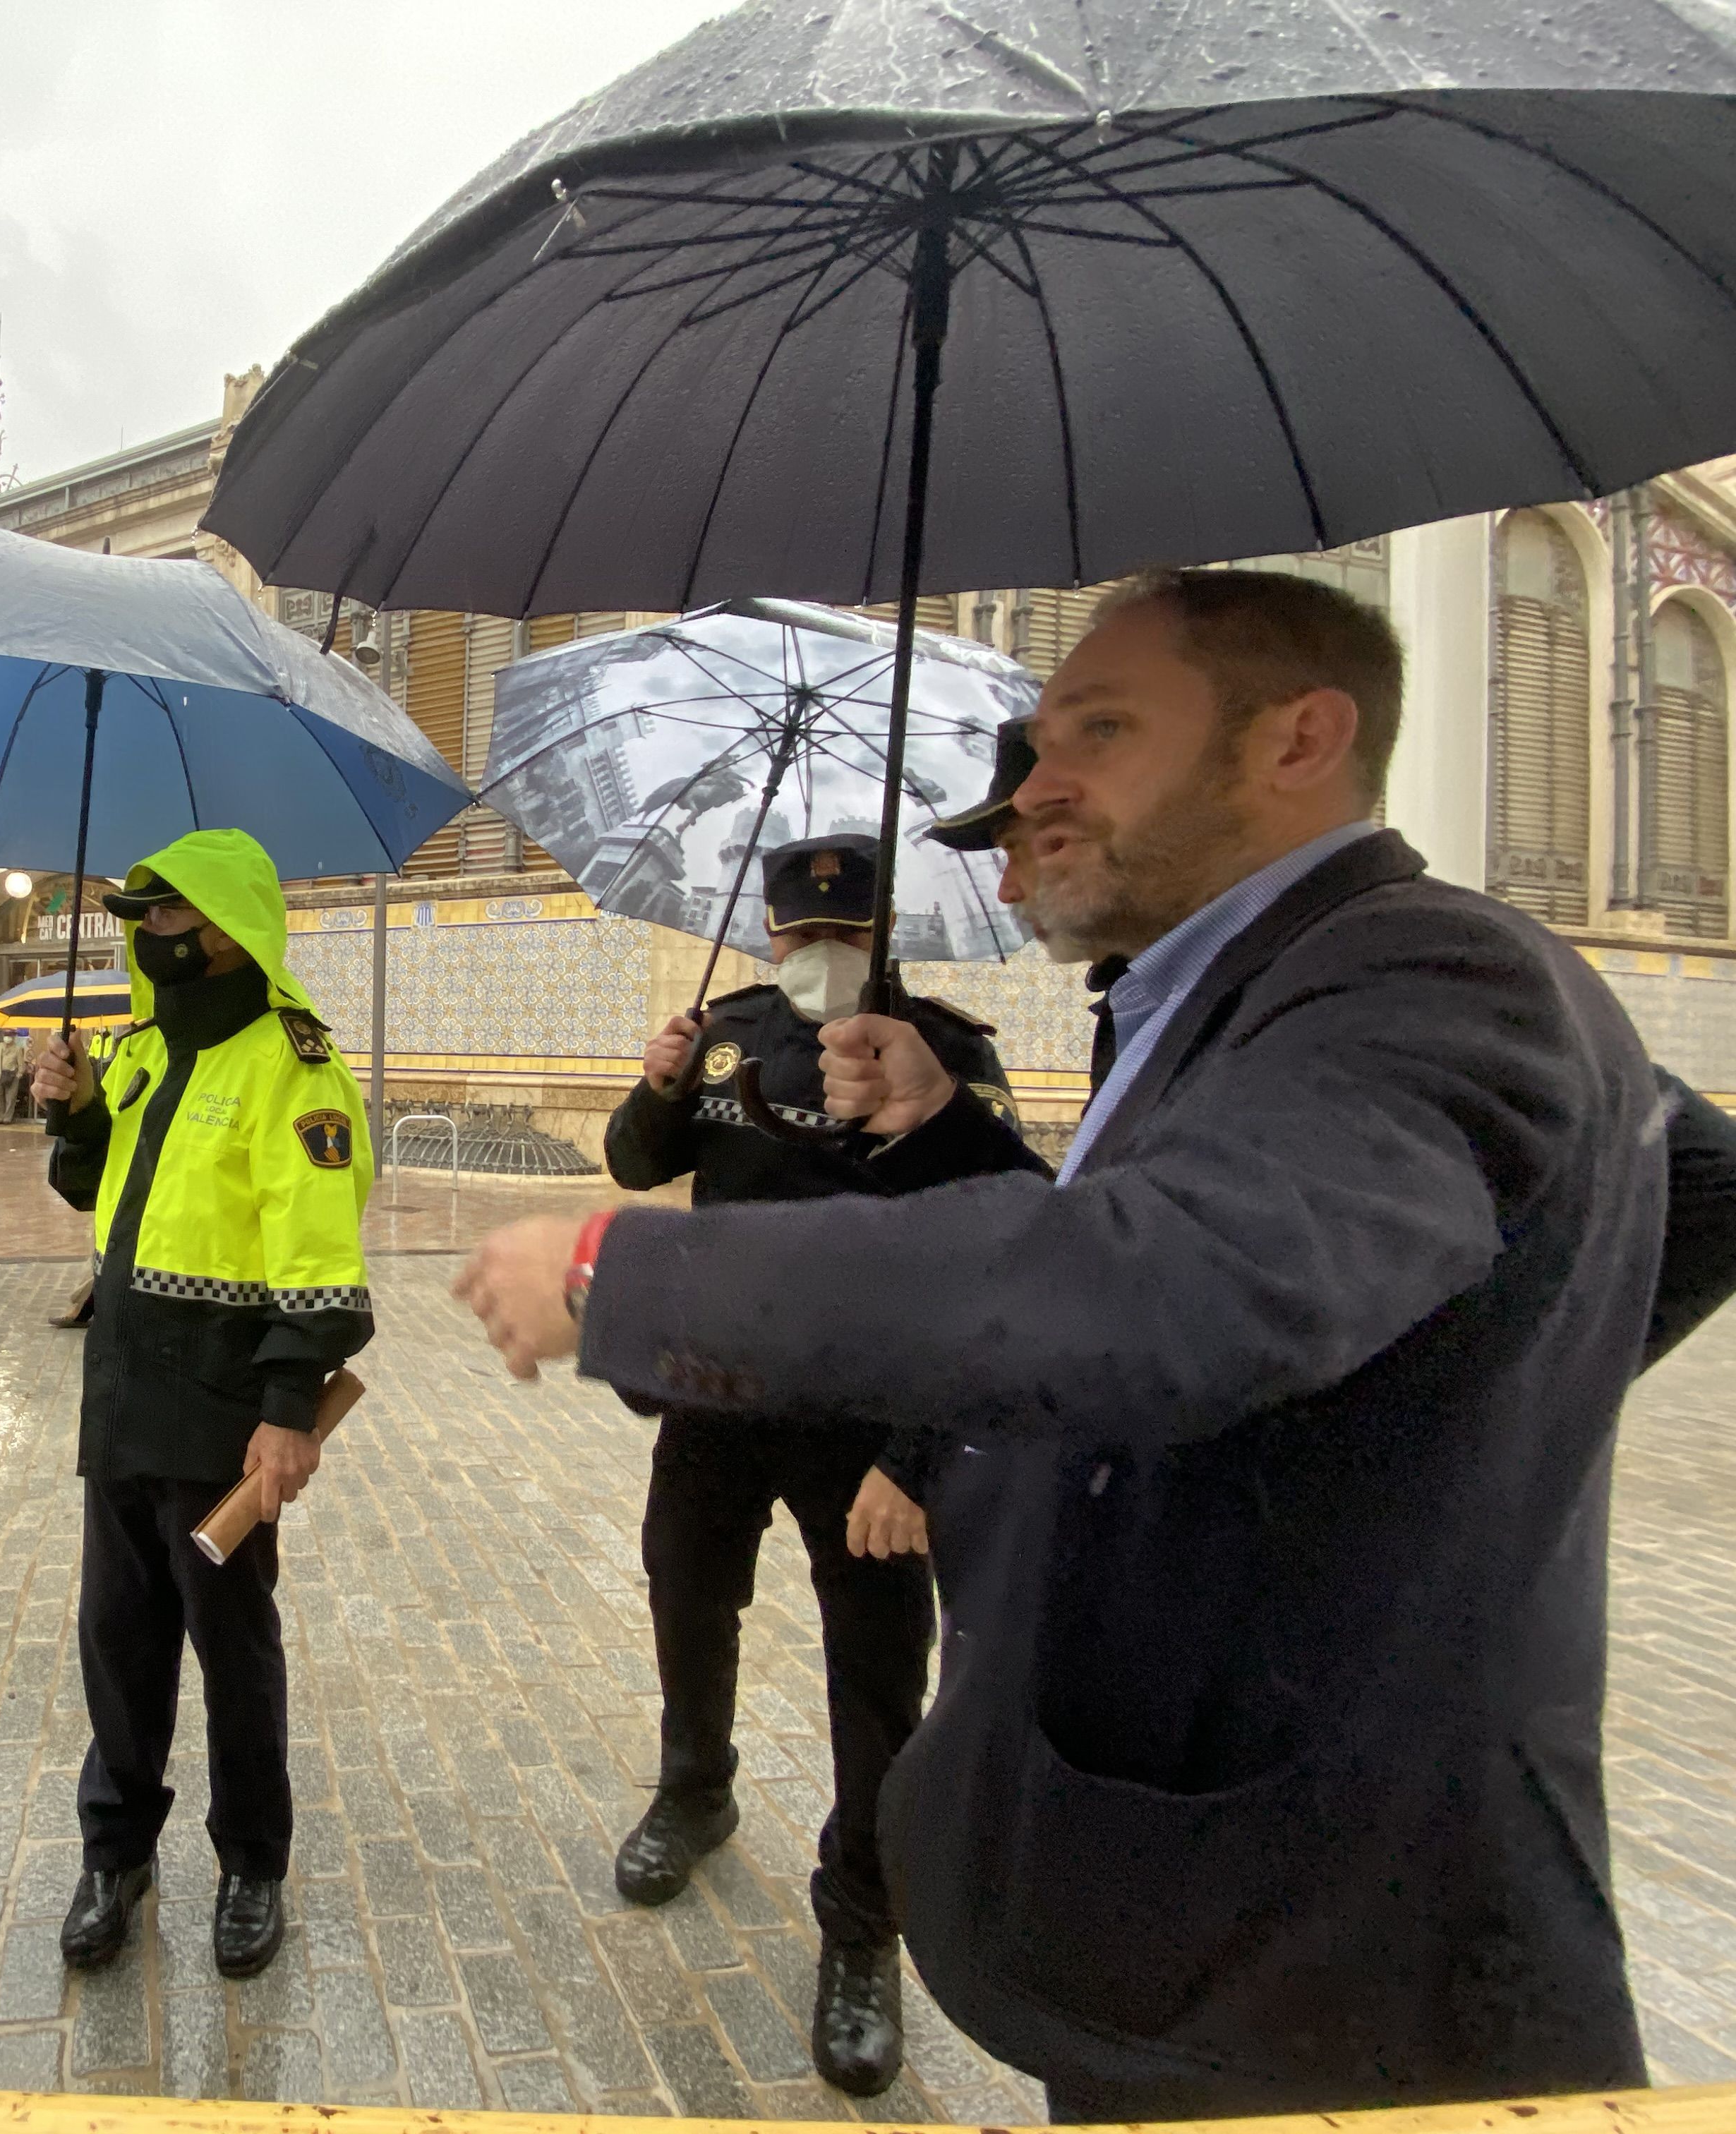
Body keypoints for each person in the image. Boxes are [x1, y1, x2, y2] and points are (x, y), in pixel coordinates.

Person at [454, 569, 1677, 2119]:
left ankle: (860, 1923)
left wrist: (622, 1272)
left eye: (1099, 729)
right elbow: (1671, 1197)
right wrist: (954, 1140)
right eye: (1033, 743)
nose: (1031, 794)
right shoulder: (1216, 997)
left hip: (1327, 1964)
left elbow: (1165, 1279)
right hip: (1203, 1924)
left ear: (1299, 738)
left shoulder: (1431, 974)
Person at [599, 831, 1042, 2097]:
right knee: (685, 1591)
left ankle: (863, 1924)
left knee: (874, 1671)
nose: (819, 957)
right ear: (771, 937)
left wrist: (915, 1457)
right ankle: (696, 1787)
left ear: (883, 931)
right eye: (800, 937)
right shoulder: (728, 1030)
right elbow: (640, 1164)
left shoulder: (943, 1052)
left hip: (869, 1424)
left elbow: (987, 1263)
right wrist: (657, 1084)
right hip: (721, 1396)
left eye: (844, 938)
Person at [26, 827, 373, 1979]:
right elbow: (94, 1192)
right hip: (121, 1393)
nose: (143, 934)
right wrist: (71, 1110)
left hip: (223, 1408)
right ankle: (114, 1851)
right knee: (117, 1642)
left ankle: (252, 1861)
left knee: (231, 1646)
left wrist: (287, 1407)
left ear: (223, 925)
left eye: (161, 916)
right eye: (134, 917)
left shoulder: (294, 1062)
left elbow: (318, 1252)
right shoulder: (132, 1054)